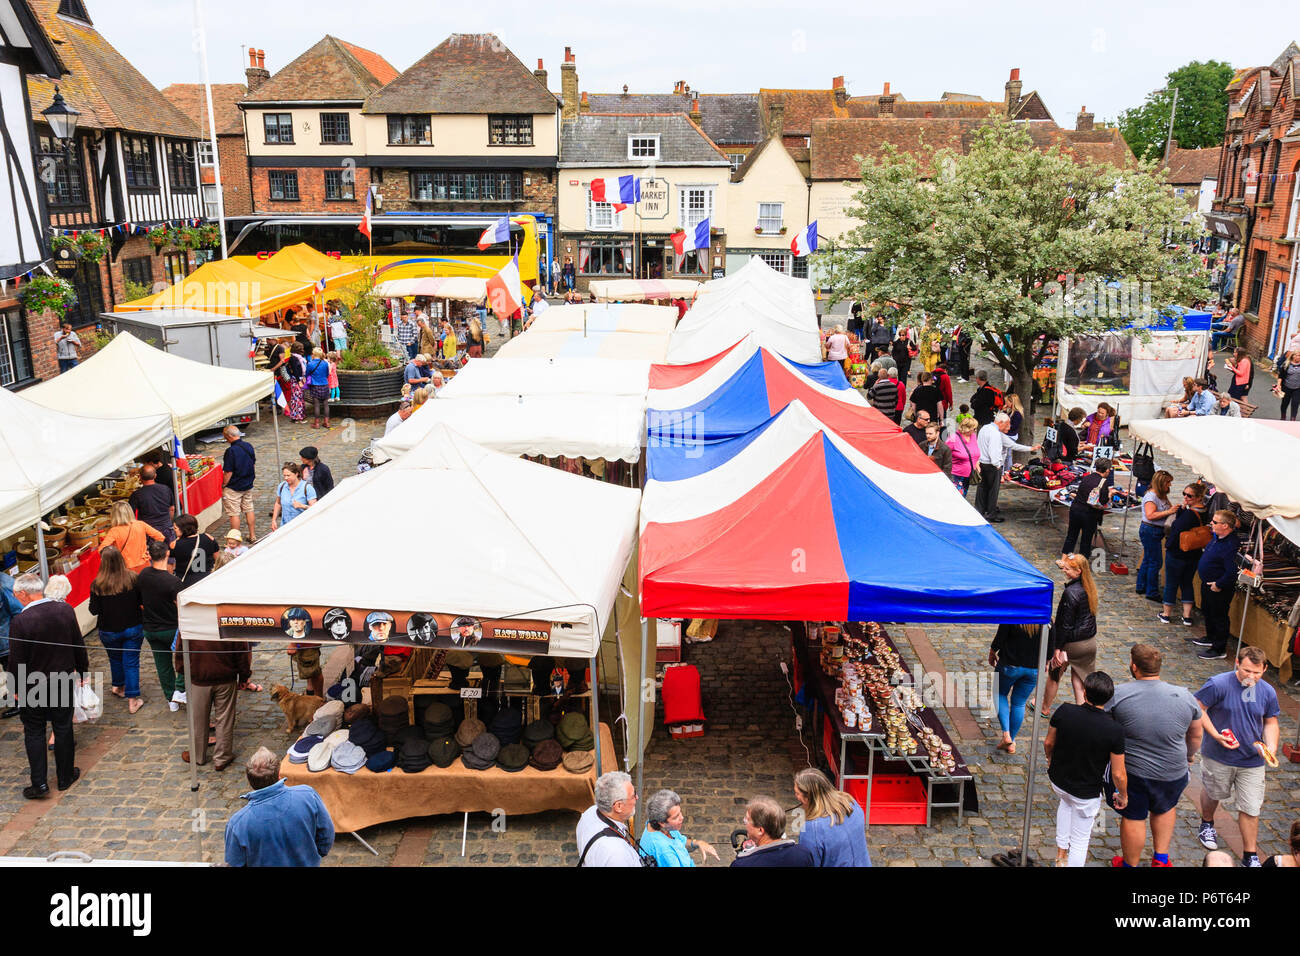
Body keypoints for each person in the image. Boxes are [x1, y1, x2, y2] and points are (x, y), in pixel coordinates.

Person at [1104, 644, 1202, 867]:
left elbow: (1104, 726)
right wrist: (1189, 756)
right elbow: (1196, 735)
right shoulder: (1185, 696)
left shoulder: (1118, 694)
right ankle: (1161, 859)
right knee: (1165, 808)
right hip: (1173, 770)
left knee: (1134, 816)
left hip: (1134, 771)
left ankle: (1130, 864)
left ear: (1134, 666)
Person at [1193, 646, 1280, 866]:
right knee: (1214, 792)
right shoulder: (1218, 684)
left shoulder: (1268, 692)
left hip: (1252, 761)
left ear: (1265, 669)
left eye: (1257, 672)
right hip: (1218, 756)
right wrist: (1214, 734)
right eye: (1247, 671)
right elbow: (1198, 708)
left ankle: (1250, 855)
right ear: (1237, 664)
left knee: (1251, 807)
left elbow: (1270, 722)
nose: (1251, 676)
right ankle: (1207, 823)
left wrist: (1271, 747)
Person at [7, 573, 87, 798]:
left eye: (16, 594)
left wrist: (15, 689)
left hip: (33, 686)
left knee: (34, 731)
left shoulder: (21, 621)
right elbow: (78, 644)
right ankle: (65, 776)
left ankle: (39, 783)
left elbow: (16, 660)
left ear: (23, 594)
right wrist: (82, 671)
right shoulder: (64, 610)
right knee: (62, 727)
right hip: (62, 680)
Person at [1045, 671, 1127, 867]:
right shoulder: (1114, 730)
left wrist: (1050, 760)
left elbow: (1049, 742)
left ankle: (1061, 855)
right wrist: (1123, 795)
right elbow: (1117, 773)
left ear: (1086, 691)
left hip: (1059, 780)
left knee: (1065, 804)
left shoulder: (1065, 711)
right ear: (1108, 699)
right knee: (1081, 840)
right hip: (1086, 792)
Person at [225, 746, 333, 865]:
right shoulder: (307, 795)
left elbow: (235, 862)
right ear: (278, 776)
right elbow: (326, 835)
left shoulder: (238, 823)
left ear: (250, 781)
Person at [181, 628, 250, 770]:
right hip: (224, 677)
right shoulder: (227, 618)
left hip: (200, 676)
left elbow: (180, 651)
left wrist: (185, 672)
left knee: (198, 718)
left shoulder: (191, 619)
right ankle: (222, 757)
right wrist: (244, 675)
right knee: (224, 718)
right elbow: (241, 651)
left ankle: (198, 755)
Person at [89, 546, 146, 715]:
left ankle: (119, 686)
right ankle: (133, 700)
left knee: (115, 658)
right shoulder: (132, 578)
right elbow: (141, 601)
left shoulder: (98, 584)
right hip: (132, 626)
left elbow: (94, 610)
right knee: (131, 662)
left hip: (109, 630)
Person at [1040, 553, 1099, 713]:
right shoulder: (1090, 588)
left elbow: (1064, 625)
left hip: (1072, 644)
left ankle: (1044, 708)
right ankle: (1083, 711)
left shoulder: (1071, 593)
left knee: (1054, 674)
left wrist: (1057, 649)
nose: (1064, 571)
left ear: (1078, 571)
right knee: (1079, 679)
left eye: (1067, 569)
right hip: (1089, 642)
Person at [138, 539, 186, 712]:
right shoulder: (173, 582)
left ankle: (171, 698)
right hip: (171, 628)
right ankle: (180, 690)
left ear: (150, 556)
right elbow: (181, 607)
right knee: (183, 660)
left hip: (151, 628)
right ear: (167, 554)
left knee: (162, 664)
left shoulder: (143, 575)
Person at [793, 767, 872, 866]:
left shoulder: (812, 829)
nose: (796, 796)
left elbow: (808, 863)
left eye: (797, 793)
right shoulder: (851, 803)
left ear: (808, 797)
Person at [989, 622, 1047, 753]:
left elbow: (1000, 637)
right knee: (1019, 703)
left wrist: (992, 652)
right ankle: (1011, 742)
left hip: (1010, 665)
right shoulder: (1046, 619)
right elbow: (1049, 646)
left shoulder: (1014, 614)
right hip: (1033, 668)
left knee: (999, 694)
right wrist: (1047, 662)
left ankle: (1006, 734)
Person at [1192, 510, 1241, 660]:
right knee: (1207, 610)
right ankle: (1210, 637)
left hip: (1218, 587)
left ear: (1225, 526)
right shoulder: (1217, 537)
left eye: (1214, 522)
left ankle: (1219, 649)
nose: (1211, 524)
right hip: (1207, 583)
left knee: (1219, 616)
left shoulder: (1231, 545)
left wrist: (1219, 584)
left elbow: (1232, 571)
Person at [975, 412, 1039, 522]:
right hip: (992, 465)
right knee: (993, 491)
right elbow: (994, 451)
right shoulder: (995, 434)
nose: (1009, 427)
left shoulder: (986, 428)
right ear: (1001, 422)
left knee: (982, 488)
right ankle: (991, 514)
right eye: (1008, 424)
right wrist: (998, 465)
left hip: (982, 463)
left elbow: (1011, 444)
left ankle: (980, 510)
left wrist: (1030, 449)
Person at [1160, 481, 1209, 627]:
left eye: (1190, 495)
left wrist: (1168, 545)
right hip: (1194, 553)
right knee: (1187, 583)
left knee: (1171, 583)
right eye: (1184, 494)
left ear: (1199, 497)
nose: (1186, 497)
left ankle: (1166, 614)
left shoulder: (1189, 514)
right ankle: (1187, 616)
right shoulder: (1204, 511)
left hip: (1178, 552)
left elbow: (1176, 528)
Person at [577, 771, 645, 866]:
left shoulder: (589, 813)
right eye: (633, 795)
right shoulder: (617, 854)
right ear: (618, 806)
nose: (637, 798)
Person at [639, 789, 719, 866]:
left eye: (680, 812)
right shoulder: (664, 851)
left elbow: (681, 842)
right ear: (662, 822)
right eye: (676, 817)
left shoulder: (661, 826)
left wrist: (698, 843)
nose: (682, 817)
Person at [731, 796, 814, 867]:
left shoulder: (742, 864)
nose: (744, 822)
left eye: (747, 820)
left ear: (760, 830)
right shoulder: (803, 854)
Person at [1136, 470, 1178, 603]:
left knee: (1148, 559)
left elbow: (1168, 509)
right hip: (1150, 530)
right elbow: (1150, 515)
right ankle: (1151, 591)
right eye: (1168, 482)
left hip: (1154, 531)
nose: (1170, 485)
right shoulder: (1151, 497)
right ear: (1161, 483)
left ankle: (1141, 586)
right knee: (1156, 562)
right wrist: (1169, 511)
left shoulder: (1162, 495)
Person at [1061, 458, 1113, 559]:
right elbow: (1103, 501)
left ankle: (1063, 559)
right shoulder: (1103, 482)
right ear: (1107, 470)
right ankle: (1081, 563)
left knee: (1071, 536)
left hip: (1076, 509)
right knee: (1086, 540)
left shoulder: (1087, 477)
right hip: (1089, 514)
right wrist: (1110, 494)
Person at [99, 500, 164, 573]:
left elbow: (102, 550)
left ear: (114, 515)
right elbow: (160, 537)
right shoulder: (140, 524)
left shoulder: (114, 531)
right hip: (144, 565)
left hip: (125, 568)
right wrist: (150, 552)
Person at [221, 425, 257, 544]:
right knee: (249, 509)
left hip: (234, 486)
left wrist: (223, 484)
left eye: (225, 436)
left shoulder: (231, 451)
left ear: (229, 436)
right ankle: (252, 535)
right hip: (247, 484)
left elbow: (228, 472)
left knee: (234, 513)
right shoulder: (248, 446)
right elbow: (253, 464)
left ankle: (234, 541)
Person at [128, 464, 175, 544]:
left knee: (152, 555)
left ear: (140, 477)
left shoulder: (136, 495)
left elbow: (130, 515)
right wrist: (168, 522)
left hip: (149, 532)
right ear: (155, 476)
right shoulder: (166, 489)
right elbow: (172, 509)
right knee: (169, 553)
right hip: (166, 528)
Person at [171, 513, 218, 587]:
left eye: (175, 528)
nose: (174, 530)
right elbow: (217, 559)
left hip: (186, 582)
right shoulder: (208, 537)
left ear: (183, 529)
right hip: (207, 578)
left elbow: (169, 563)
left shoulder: (176, 544)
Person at [271, 462, 317, 530]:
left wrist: (302, 506)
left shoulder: (307, 488)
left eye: (288, 475)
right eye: (284, 475)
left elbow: (315, 509)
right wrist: (274, 520)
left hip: (302, 527)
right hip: (285, 527)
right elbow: (278, 503)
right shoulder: (282, 486)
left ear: (296, 474)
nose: (286, 478)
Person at [946, 416, 981, 495]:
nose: (975, 431)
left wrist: (976, 463)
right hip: (956, 475)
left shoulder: (973, 437)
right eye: (974, 428)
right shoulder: (953, 438)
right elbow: (944, 454)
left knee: (963, 496)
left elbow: (975, 453)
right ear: (967, 428)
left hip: (969, 475)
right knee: (957, 498)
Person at [303, 347, 331, 429]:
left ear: (313, 355)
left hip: (315, 385)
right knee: (326, 404)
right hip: (325, 385)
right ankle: (326, 422)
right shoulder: (325, 363)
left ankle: (317, 423)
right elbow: (326, 374)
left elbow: (307, 374)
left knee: (317, 405)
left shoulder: (310, 364)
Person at [1273, 349, 1300, 421]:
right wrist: (1278, 385)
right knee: (1285, 403)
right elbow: (1280, 376)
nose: (1298, 357)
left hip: (1297, 388)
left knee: (1295, 404)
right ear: (1293, 356)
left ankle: (1293, 419)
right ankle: (1283, 417)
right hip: (1287, 387)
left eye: (1299, 356)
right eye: (1296, 355)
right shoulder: (1286, 364)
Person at [284, 343, 307, 423]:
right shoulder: (294, 358)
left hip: (298, 379)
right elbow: (295, 370)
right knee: (297, 398)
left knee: (297, 397)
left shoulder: (298, 357)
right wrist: (299, 381)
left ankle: (296, 416)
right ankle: (298, 417)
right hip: (296, 380)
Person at [1002, 393, 1025, 471]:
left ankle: (1007, 470)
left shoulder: (1017, 413)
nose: (1006, 403)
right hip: (1008, 434)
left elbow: (1013, 426)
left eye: (1007, 402)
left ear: (1012, 402)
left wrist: (1004, 427)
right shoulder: (1011, 411)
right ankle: (1006, 469)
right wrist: (1004, 411)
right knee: (1006, 454)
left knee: (1007, 454)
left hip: (1010, 435)